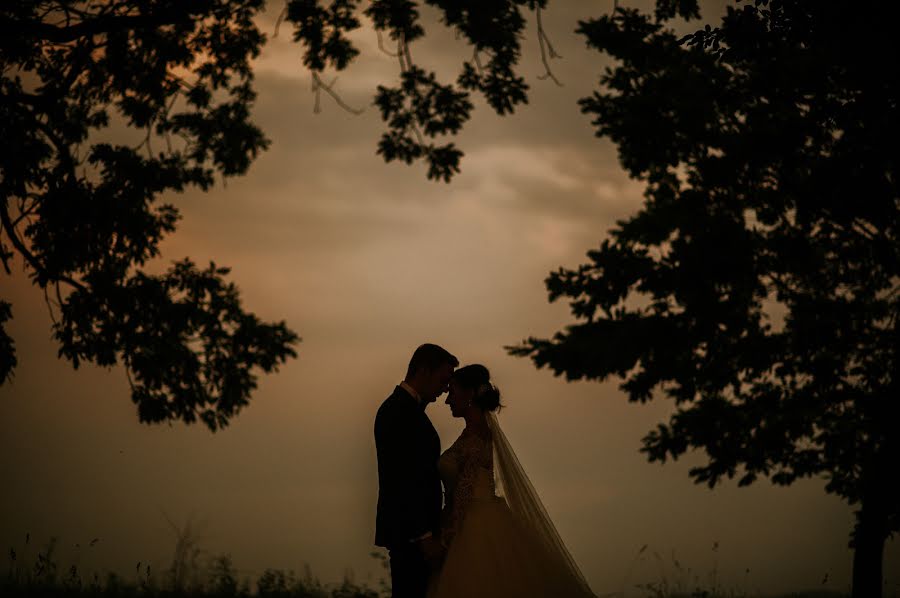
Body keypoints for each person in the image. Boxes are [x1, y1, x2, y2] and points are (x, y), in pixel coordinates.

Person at [428, 364, 596, 598]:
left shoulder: (476, 438)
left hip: (471, 524)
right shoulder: (475, 433)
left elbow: (465, 489)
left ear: (468, 394)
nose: (447, 400)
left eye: (452, 392)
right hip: (477, 516)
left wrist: (449, 533)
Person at [374, 343, 458, 598]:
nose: (445, 389)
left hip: (418, 537)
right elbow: (402, 479)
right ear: (423, 370)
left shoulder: (408, 410)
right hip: (412, 538)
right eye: (443, 380)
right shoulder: (396, 411)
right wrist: (424, 537)